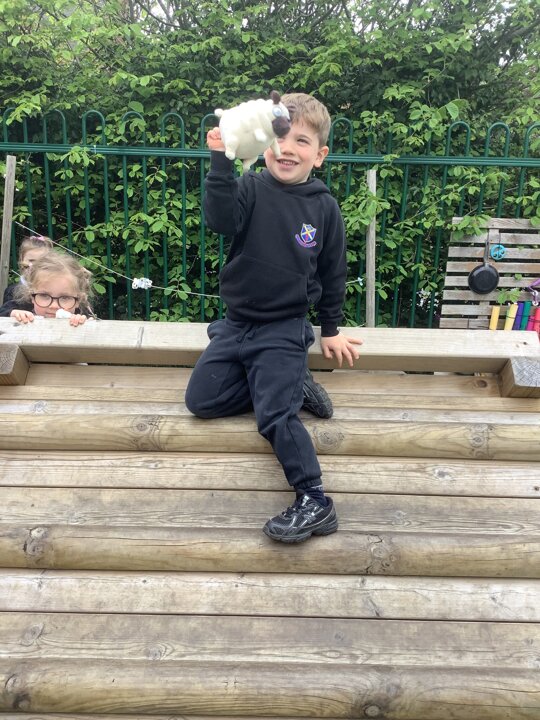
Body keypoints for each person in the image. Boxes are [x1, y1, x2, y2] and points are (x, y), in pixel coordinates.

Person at [185, 92, 362, 543]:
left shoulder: (324, 207)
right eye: (280, 137)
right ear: (265, 142)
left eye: (302, 141)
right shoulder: (250, 187)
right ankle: (292, 384)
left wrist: (330, 330)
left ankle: (315, 501)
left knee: (274, 418)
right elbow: (220, 220)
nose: (287, 148)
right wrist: (220, 162)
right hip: (238, 324)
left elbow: (333, 271)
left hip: (284, 328)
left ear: (319, 155)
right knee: (200, 401)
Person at [0, 250, 94, 326]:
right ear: (31, 295)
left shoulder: (80, 315)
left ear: (78, 300)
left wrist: (83, 325)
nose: (54, 306)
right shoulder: (22, 307)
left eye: (65, 297)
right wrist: (12, 314)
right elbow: (3, 312)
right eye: (44, 295)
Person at [2, 234, 54, 304]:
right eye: (31, 260)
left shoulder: (55, 288)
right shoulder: (12, 291)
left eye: (41, 261)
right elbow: (6, 309)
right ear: (22, 260)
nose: (36, 266)